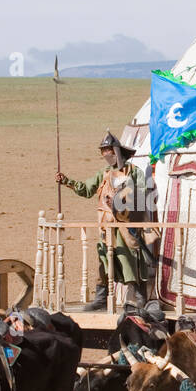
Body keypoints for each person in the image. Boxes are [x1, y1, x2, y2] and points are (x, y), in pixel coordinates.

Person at [57, 131, 152, 311]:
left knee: (128, 259)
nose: (105, 154)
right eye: (103, 151)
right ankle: (101, 298)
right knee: (104, 261)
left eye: (107, 150)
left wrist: (122, 197)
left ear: (116, 151)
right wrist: (67, 181)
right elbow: (86, 190)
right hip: (106, 226)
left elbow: (142, 193)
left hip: (126, 225)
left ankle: (138, 298)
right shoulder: (104, 173)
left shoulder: (134, 172)